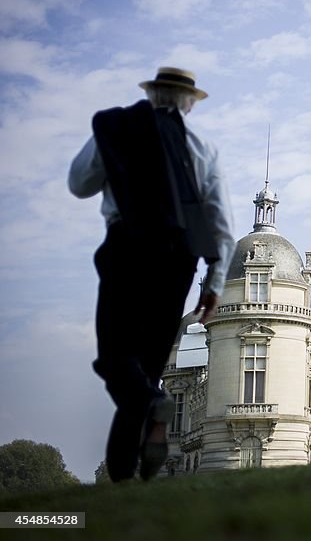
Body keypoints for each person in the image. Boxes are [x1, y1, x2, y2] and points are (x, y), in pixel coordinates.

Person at [69, 67, 235, 480]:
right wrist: (214, 284)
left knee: (114, 356)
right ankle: (127, 472)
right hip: (178, 259)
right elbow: (221, 226)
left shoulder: (118, 129)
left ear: (152, 94)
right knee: (147, 363)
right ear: (190, 102)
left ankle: (151, 405)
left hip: (126, 246)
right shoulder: (202, 148)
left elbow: (80, 183)